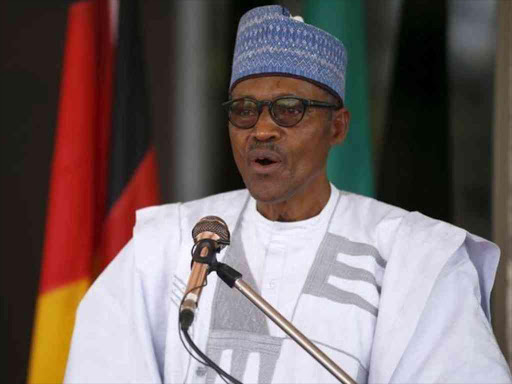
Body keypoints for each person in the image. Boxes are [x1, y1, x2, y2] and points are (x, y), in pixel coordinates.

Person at [64, 5, 511, 384]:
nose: (261, 129)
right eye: (244, 109)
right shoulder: (168, 242)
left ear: (337, 127)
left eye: (289, 110)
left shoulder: (414, 253)